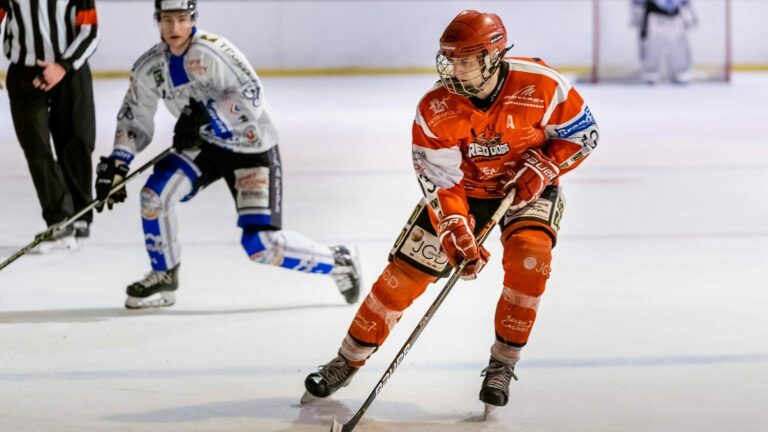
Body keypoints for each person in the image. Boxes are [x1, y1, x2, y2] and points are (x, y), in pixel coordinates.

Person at [302, 10, 599, 412]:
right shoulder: (435, 108)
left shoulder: (542, 84)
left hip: (525, 187)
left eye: (465, 59)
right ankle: (346, 360)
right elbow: (441, 179)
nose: (453, 69)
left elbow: (583, 134)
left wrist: (545, 166)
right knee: (401, 279)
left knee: (531, 260)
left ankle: (503, 364)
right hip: (465, 191)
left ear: (493, 55)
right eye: (449, 59)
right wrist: (455, 226)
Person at [95, 0, 361, 309]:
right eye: (167, 20)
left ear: (193, 18)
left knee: (260, 245)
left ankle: (340, 262)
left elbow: (252, 94)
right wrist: (118, 161)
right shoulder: (150, 67)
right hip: (204, 148)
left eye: (182, 19)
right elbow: (134, 116)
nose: (175, 28)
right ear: (157, 21)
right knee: (154, 196)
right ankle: (164, 272)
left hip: (251, 146)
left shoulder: (214, 52)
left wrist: (208, 116)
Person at [0, 0, 100, 252]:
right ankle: (59, 219)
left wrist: (63, 66)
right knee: (37, 147)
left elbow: (90, 31)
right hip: (24, 73)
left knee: (77, 141)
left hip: (71, 72)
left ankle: (80, 215)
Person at [631, 0, 697, 84]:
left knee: (678, 46)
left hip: (676, 16)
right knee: (652, 46)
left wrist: (688, 13)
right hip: (654, 15)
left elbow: (685, 2)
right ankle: (650, 72)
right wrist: (637, 13)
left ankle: (680, 71)